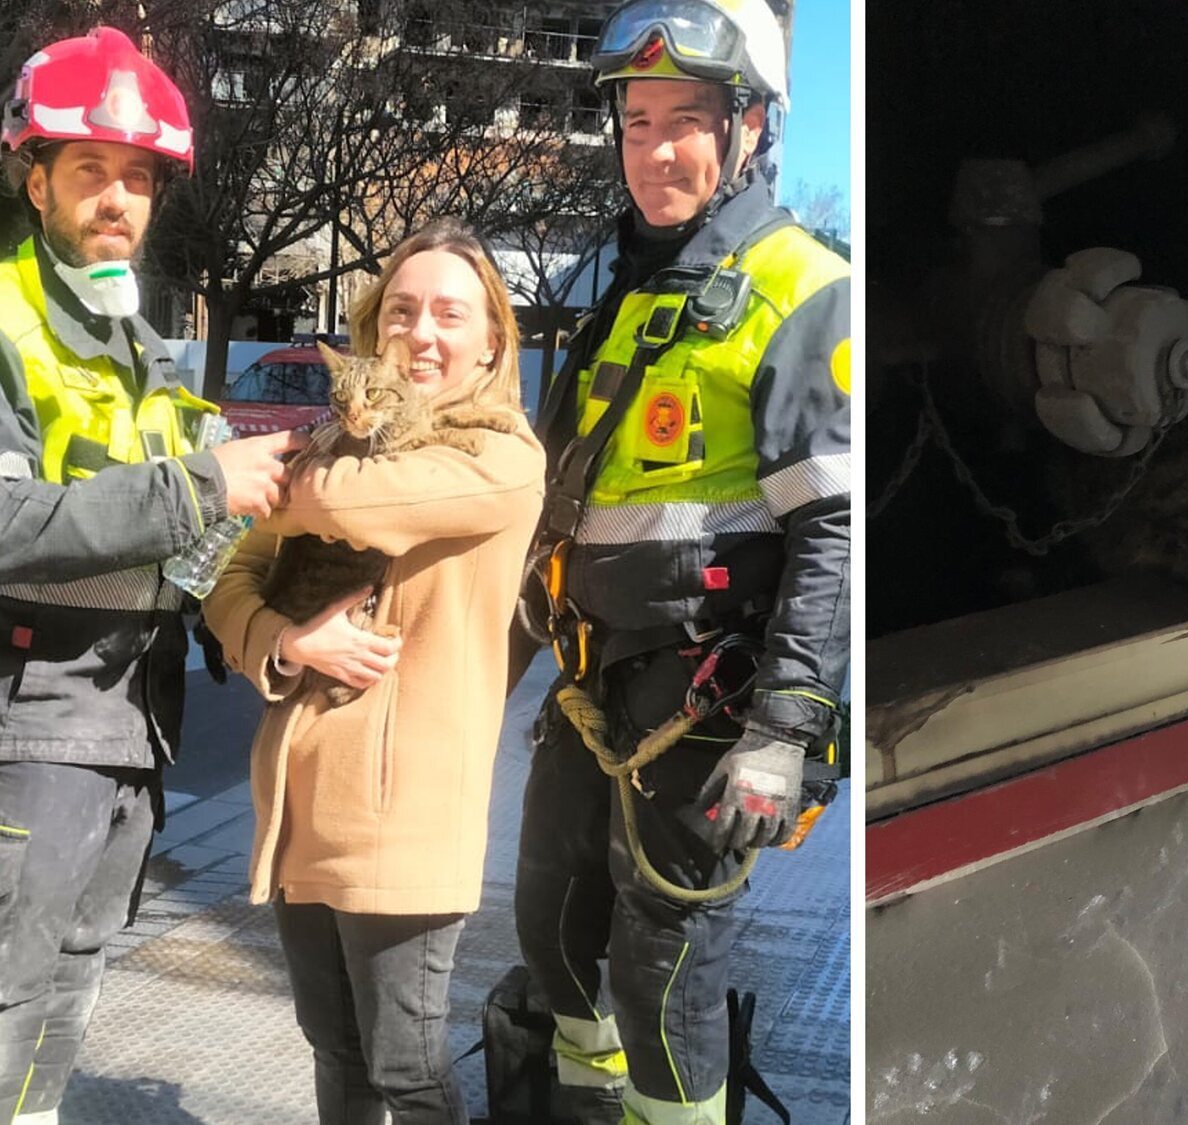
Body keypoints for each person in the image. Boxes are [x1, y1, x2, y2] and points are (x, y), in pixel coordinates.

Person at [511, 0, 851, 1121]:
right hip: (591, 677)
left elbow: (832, 529)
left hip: (707, 692)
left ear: (744, 127)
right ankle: (584, 1105)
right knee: (550, 921)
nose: (654, 149)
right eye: (637, 120)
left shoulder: (802, 285)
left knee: (660, 959)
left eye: (685, 122)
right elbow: (568, 506)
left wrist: (785, 732)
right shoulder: (631, 285)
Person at [0, 27, 308, 1124]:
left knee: (67, 986)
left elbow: (184, 541)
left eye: (138, 178)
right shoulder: (5, 319)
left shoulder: (139, 343)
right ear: (33, 178)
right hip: (23, 726)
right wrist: (198, 491)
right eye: (90, 170)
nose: (118, 199)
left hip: (127, 722)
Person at [203, 216, 545, 1125]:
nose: (420, 333)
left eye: (448, 313)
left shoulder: (502, 457)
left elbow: (361, 502)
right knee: (337, 1053)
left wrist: (266, 485)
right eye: (400, 311)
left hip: (407, 822)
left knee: (406, 1068)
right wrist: (285, 640)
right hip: (297, 806)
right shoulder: (337, 436)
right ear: (372, 328)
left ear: (490, 341)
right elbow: (225, 581)